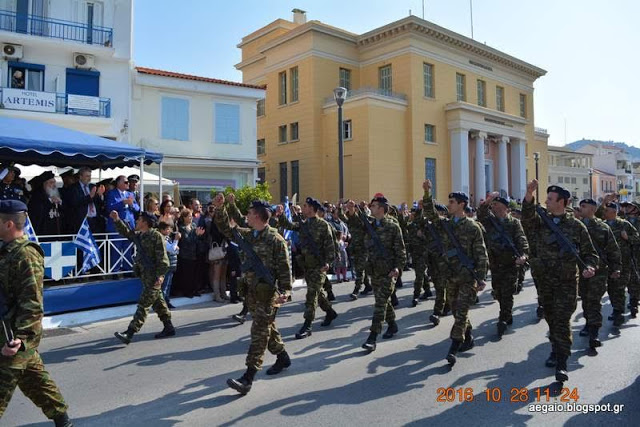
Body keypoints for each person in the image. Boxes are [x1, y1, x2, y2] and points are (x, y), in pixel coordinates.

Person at [0, 200, 73, 426]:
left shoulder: (26, 255)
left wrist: (21, 339)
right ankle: (63, 420)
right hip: (8, 334)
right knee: (35, 380)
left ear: (9, 223)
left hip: (13, 337)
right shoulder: (5, 251)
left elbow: (32, 301)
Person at [212, 194, 292, 395]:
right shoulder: (249, 235)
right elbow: (225, 229)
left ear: (257, 216)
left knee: (259, 332)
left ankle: (248, 378)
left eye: (248, 212)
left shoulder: (275, 240)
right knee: (267, 328)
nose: (245, 215)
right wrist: (221, 208)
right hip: (252, 292)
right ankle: (282, 357)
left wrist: (285, 291)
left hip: (269, 294)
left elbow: (285, 269)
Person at [521, 182, 598, 382]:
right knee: (551, 318)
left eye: (550, 199)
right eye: (545, 198)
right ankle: (556, 348)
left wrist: (590, 267)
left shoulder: (576, 226)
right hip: (544, 280)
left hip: (566, 282)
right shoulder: (540, 221)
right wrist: (529, 194)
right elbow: (527, 217)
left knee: (562, 321)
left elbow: (590, 253)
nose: (546, 201)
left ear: (562, 202)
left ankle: (562, 362)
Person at [423, 180, 488, 366]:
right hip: (450, 276)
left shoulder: (473, 227)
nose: (448, 205)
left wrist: (481, 277)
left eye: (452, 202)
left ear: (461, 205)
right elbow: (429, 213)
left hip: (467, 277)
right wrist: (427, 192)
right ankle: (468, 337)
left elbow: (481, 254)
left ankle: (453, 347)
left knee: (460, 313)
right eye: (448, 202)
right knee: (455, 310)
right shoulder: (445, 224)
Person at [346, 194, 405, 352]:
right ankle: (392, 326)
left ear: (381, 208)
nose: (370, 208)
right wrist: (351, 210)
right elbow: (354, 222)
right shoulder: (370, 224)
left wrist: (398, 268)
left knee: (379, 304)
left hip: (388, 272)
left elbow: (401, 250)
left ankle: (372, 337)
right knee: (383, 301)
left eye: (373, 206)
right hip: (374, 271)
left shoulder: (393, 226)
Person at [276, 197, 338, 339]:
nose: (302, 208)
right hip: (307, 265)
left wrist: (328, 262)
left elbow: (330, 245)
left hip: (319, 266)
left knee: (311, 295)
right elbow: (290, 225)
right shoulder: (304, 224)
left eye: (305, 206)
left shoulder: (323, 225)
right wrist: (281, 215)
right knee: (318, 294)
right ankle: (330, 312)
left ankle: (307, 325)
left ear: (311, 209)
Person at [111, 210, 174, 344]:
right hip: (146, 276)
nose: (137, 222)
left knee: (143, 305)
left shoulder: (156, 236)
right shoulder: (141, 236)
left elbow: (163, 259)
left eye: (139, 220)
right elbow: (127, 234)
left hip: (154, 278)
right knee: (158, 303)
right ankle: (168, 327)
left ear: (145, 222)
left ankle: (130, 332)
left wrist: (160, 276)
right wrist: (117, 220)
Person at [477, 192, 529, 336]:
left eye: (499, 206)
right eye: (494, 206)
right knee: (498, 291)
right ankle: (506, 312)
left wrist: (523, 255)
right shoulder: (489, 221)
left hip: (510, 263)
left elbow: (521, 240)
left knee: (507, 293)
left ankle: (503, 318)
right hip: (494, 263)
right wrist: (488, 201)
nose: (496, 209)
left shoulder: (514, 223)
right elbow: (480, 214)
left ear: (506, 208)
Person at [577, 198, 621, 350]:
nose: (580, 208)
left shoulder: (603, 228)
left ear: (592, 210)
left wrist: (616, 268)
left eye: (584, 206)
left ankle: (594, 332)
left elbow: (613, 249)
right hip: (580, 270)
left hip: (599, 271)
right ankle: (588, 322)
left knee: (594, 300)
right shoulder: (575, 226)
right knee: (585, 298)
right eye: (580, 206)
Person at [595, 195, 640, 327]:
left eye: (606, 210)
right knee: (612, 288)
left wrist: (628, 238)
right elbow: (595, 216)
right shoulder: (602, 225)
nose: (604, 212)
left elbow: (637, 238)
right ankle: (617, 309)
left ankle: (620, 311)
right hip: (607, 262)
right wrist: (603, 202)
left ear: (613, 212)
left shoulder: (624, 225)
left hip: (625, 262)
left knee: (621, 287)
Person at [338, 199, 372, 299]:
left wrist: (352, 208)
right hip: (355, 248)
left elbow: (353, 216)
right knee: (362, 267)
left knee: (359, 269)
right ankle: (368, 286)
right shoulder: (350, 220)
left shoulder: (360, 220)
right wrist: (340, 207)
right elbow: (343, 217)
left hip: (363, 247)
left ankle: (356, 290)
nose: (349, 210)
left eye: (352, 208)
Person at [105, 176, 140, 272]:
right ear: (119, 183)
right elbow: (109, 207)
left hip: (129, 226)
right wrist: (122, 202)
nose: (128, 184)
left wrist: (132, 204)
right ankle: (115, 270)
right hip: (116, 226)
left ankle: (127, 269)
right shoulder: (112, 193)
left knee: (127, 249)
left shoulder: (130, 194)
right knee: (116, 249)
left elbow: (138, 208)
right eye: (126, 182)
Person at [65, 167, 105, 235]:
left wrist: (100, 195)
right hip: (81, 222)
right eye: (87, 176)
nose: (89, 178)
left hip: (94, 221)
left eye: (90, 176)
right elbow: (75, 203)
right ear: (80, 177)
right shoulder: (73, 188)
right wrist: (90, 197)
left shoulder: (92, 186)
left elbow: (99, 204)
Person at [27, 171, 64, 236]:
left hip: (57, 232)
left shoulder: (59, 195)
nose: (54, 185)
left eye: (54, 182)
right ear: (44, 184)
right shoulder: (37, 196)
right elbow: (37, 213)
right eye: (51, 182)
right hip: (43, 232)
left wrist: (60, 203)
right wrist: (50, 201)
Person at [158, 221, 180, 309]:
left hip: (172, 264)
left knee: (168, 285)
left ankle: (167, 301)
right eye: (167, 229)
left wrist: (175, 246)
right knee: (164, 286)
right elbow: (171, 249)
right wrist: (176, 240)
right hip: (166, 265)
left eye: (170, 228)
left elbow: (175, 250)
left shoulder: (168, 238)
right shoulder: (162, 239)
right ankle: (162, 304)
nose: (170, 230)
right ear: (162, 230)